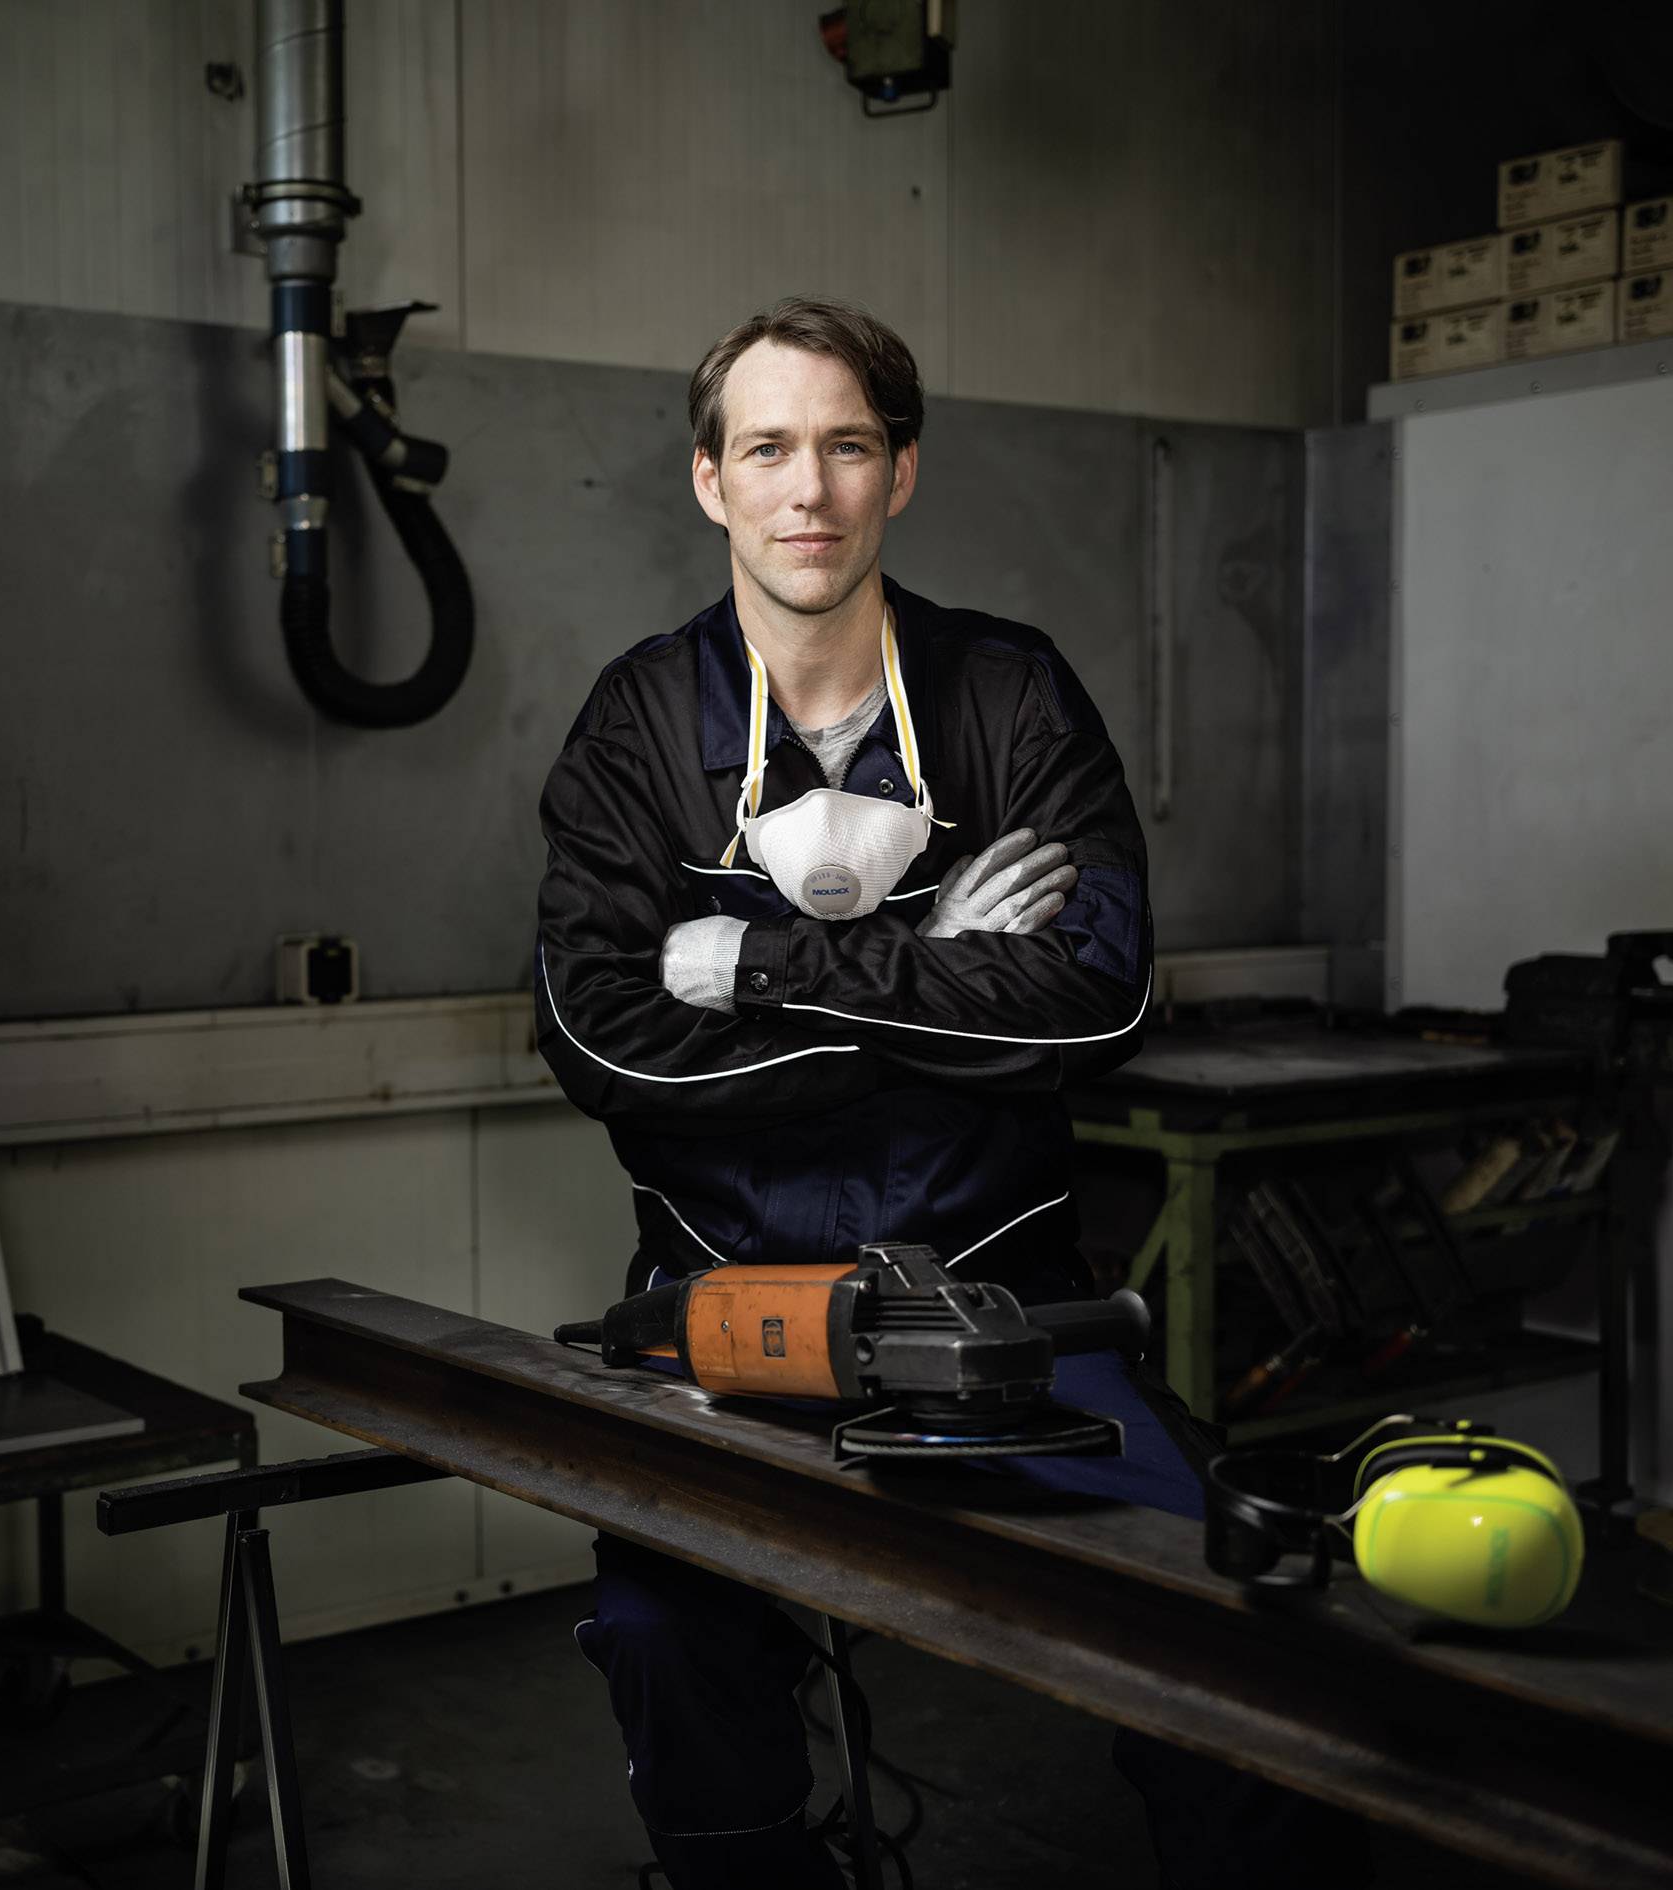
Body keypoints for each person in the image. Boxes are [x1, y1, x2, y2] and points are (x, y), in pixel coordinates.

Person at [531, 298, 1365, 1889]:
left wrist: (766, 967)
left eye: (848, 445)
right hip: (733, 1313)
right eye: (768, 448)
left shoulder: (1012, 696)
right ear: (710, 481)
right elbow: (608, 1041)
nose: (810, 491)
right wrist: (950, 971)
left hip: (1015, 1315)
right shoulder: (637, 726)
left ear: (900, 472)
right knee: (661, 1630)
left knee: (1233, 1642)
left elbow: (1099, 1002)